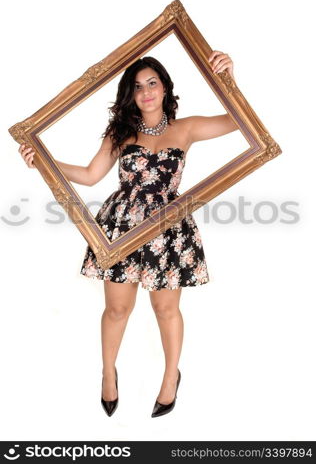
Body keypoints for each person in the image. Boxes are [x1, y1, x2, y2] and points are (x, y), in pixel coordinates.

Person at [18, 50, 237, 418]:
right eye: (138, 87)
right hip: (121, 225)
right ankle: (108, 373)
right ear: (130, 95)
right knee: (117, 308)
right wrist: (42, 159)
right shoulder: (121, 133)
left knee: (166, 309)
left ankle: (171, 378)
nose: (146, 92)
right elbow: (89, 175)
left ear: (165, 87)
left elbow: (240, 122)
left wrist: (231, 77)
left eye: (152, 83)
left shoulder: (188, 128)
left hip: (169, 228)